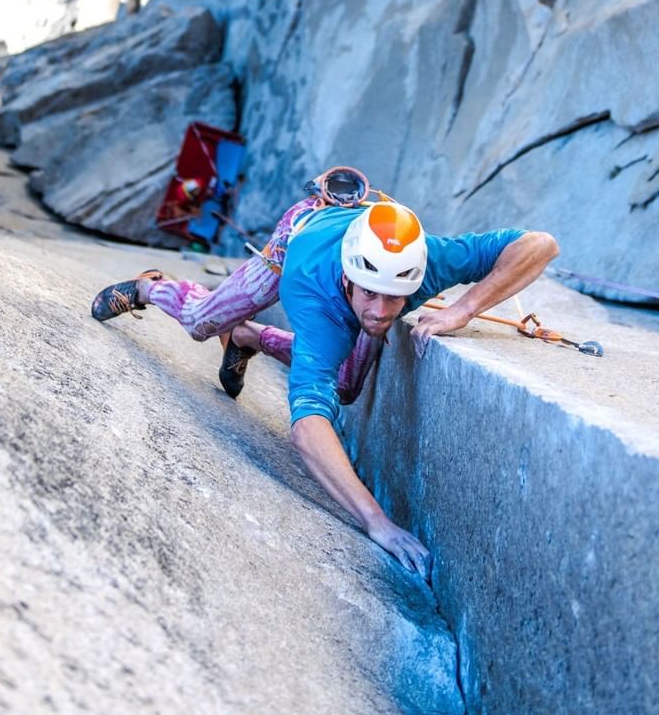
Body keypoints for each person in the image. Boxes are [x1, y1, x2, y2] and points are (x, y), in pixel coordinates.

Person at [90, 175, 558, 577]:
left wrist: (463, 308)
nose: (380, 312)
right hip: (296, 243)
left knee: (349, 385)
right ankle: (150, 288)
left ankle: (247, 338)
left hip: (365, 227)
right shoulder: (318, 306)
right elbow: (308, 427)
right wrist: (376, 522)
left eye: (397, 298)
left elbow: (540, 245)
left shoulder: (426, 260)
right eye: (370, 296)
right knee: (199, 322)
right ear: (351, 280)